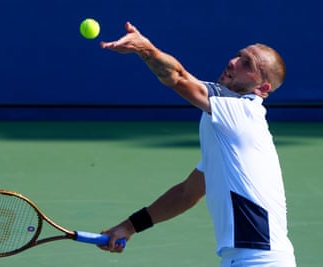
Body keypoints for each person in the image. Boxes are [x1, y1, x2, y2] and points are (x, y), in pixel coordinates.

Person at [98, 21, 296, 266]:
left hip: (259, 260)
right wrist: (128, 227)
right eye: (238, 56)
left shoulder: (242, 113)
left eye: (247, 64)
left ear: (262, 88)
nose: (233, 62)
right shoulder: (225, 131)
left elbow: (178, 78)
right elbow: (186, 193)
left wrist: (145, 49)